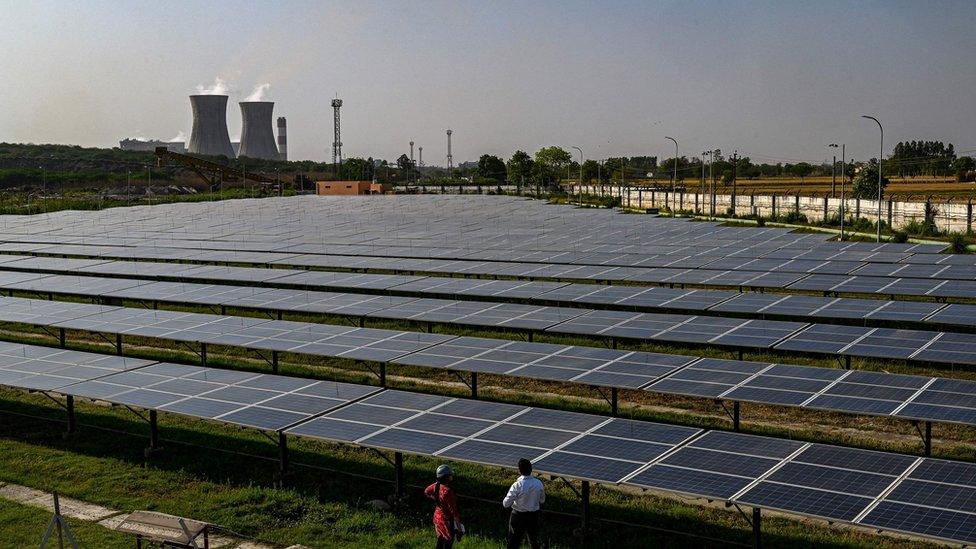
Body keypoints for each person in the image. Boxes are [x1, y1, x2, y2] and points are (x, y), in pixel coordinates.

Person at [502, 458, 545, 549]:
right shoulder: (539, 483)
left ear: (519, 470)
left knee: (514, 541)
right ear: (531, 469)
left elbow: (506, 504)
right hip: (534, 515)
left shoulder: (517, 485)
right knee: (534, 540)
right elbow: (542, 500)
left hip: (518, 515)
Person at [424, 464, 464, 549]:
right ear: (446, 477)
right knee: (448, 542)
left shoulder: (436, 485)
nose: (451, 476)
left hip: (437, 518)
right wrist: (459, 529)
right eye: (450, 475)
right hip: (446, 520)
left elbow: (426, 491)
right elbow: (454, 512)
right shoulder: (448, 492)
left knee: (440, 539)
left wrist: (436, 499)